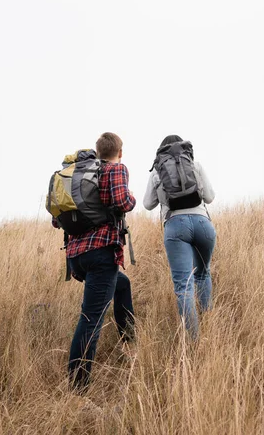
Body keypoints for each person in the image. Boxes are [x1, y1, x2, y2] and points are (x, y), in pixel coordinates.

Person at [56, 132, 136, 391]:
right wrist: (131, 198)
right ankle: (78, 387)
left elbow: (57, 220)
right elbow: (122, 201)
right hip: (101, 253)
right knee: (91, 318)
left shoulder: (79, 175)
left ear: (97, 150)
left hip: (76, 256)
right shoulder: (115, 169)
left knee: (122, 285)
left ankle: (129, 340)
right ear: (119, 152)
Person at [143, 135, 216, 339]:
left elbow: (148, 204)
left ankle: (193, 342)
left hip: (176, 226)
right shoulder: (195, 165)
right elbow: (210, 197)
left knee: (184, 286)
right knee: (203, 274)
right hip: (203, 224)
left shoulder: (158, 171)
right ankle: (208, 322)